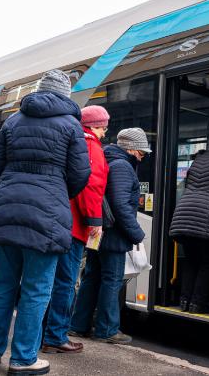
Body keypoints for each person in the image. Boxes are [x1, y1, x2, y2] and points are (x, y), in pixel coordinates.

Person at [0, 69, 90, 375]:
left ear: (39, 91)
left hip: (5, 209)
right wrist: (55, 189)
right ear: (65, 94)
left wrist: (12, 186)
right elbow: (80, 173)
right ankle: (23, 358)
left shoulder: (12, 121)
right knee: (37, 289)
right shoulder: (71, 125)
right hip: (47, 213)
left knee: (1, 286)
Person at [70, 128, 149, 345]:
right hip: (114, 234)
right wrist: (137, 233)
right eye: (142, 152)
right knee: (111, 281)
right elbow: (120, 204)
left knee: (91, 277)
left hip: (100, 232)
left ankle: (78, 325)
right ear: (131, 148)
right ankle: (107, 330)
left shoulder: (109, 160)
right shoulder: (123, 166)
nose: (143, 156)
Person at [41, 105, 110, 354]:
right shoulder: (90, 146)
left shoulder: (70, 141)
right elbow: (91, 186)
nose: (105, 132)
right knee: (66, 281)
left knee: (47, 280)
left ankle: (42, 334)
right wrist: (94, 220)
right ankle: (56, 335)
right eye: (104, 126)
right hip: (75, 225)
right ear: (94, 126)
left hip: (58, 220)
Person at [169, 132, 209, 314]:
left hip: (184, 213)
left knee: (191, 261)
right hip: (204, 216)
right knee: (207, 262)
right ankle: (198, 304)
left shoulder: (199, 159)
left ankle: (185, 301)